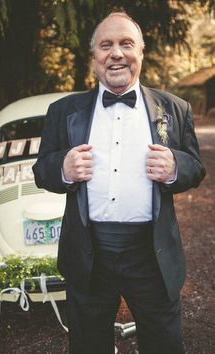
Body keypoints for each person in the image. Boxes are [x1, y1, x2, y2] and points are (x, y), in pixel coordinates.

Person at [33, 11, 206, 354]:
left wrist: (175, 167)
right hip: (89, 251)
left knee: (164, 344)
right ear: (94, 55)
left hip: (151, 252)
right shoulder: (63, 110)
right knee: (87, 344)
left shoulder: (174, 108)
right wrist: (63, 168)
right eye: (106, 45)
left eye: (126, 43)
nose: (116, 53)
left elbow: (196, 168)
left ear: (141, 51)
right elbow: (42, 170)